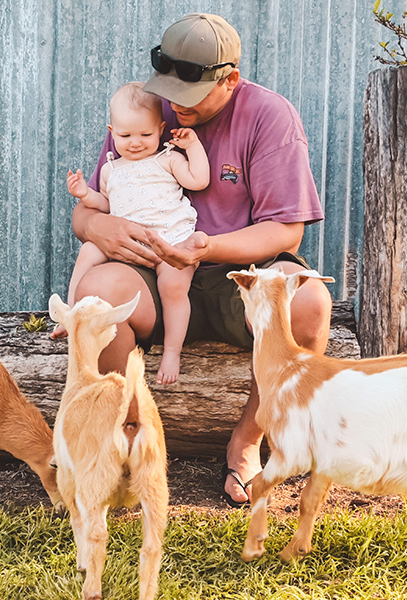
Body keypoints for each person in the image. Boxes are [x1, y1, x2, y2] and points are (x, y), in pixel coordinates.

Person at [68, 13, 333, 508]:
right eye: (169, 90)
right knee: (97, 296)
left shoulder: (270, 116)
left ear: (230, 80)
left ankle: (249, 440)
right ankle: (127, 434)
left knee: (310, 301)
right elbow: (100, 203)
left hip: (233, 276)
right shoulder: (149, 108)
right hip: (152, 273)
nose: (175, 106)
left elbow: (285, 229)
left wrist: (206, 247)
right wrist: (93, 226)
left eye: (189, 95)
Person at [60, 81, 210, 384]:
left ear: (161, 129)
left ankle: (172, 351)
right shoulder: (111, 169)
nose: (136, 142)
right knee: (89, 250)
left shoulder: (167, 158)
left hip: (171, 242)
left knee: (173, 289)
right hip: (129, 249)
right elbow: (106, 204)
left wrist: (192, 146)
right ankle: (71, 311)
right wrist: (84, 194)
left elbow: (198, 181)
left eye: (146, 134)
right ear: (111, 131)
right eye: (126, 135)